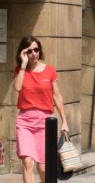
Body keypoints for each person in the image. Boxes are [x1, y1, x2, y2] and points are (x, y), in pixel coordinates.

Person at [13, 36, 69, 183]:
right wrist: (24, 65)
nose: (34, 54)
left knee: (44, 168)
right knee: (27, 162)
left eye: (36, 50)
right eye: (29, 51)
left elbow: (57, 97)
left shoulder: (49, 71)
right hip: (25, 121)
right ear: (24, 53)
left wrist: (64, 121)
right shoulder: (20, 70)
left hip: (45, 122)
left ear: (40, 50)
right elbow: (17, 88)